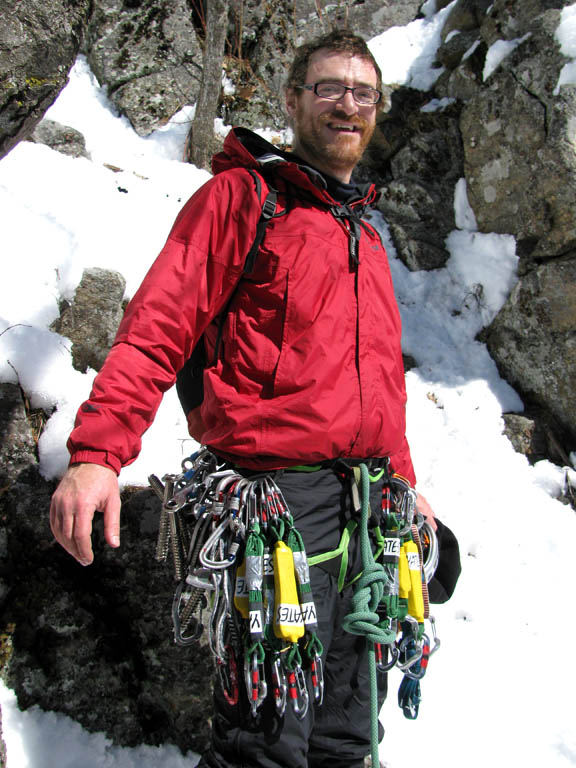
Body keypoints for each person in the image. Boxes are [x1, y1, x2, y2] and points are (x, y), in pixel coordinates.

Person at [51, 29, 440, 768]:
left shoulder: (364, 234)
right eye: (328, 87)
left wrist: (406, 486)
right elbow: (157, 327)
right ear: (293, 101)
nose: (346, 106)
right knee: (265, 741)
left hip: (367, 515)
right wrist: (99, 453)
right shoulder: (242, 199)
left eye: (363, 93)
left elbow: (378, 388)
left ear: (377, 112)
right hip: (275, 510)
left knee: (348, 736)